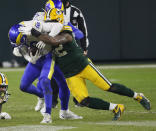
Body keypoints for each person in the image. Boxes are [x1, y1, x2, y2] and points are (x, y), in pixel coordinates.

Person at [20, 8, 151, 121]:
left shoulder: (66, 32)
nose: (50, 25)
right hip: (70, 74)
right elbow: (39, 47)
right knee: (83, 101)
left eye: (52, 22)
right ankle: (116, 108)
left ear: (59, 21)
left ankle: (138, 96)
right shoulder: (45, 35)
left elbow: (54, 41)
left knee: (108, 87)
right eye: (48, 22)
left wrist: (35, 33)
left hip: (83, 66)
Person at [8, 21, 82, 123]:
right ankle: (42, 96)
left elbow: (58, 25)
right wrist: (30, 59)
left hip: (49, 57)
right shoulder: (18, 37)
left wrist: (47, 39)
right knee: (23, 86)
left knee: (46, 81)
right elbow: (19, 51)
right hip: (36, 60)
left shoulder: (34, 26)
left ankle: (48, 115)